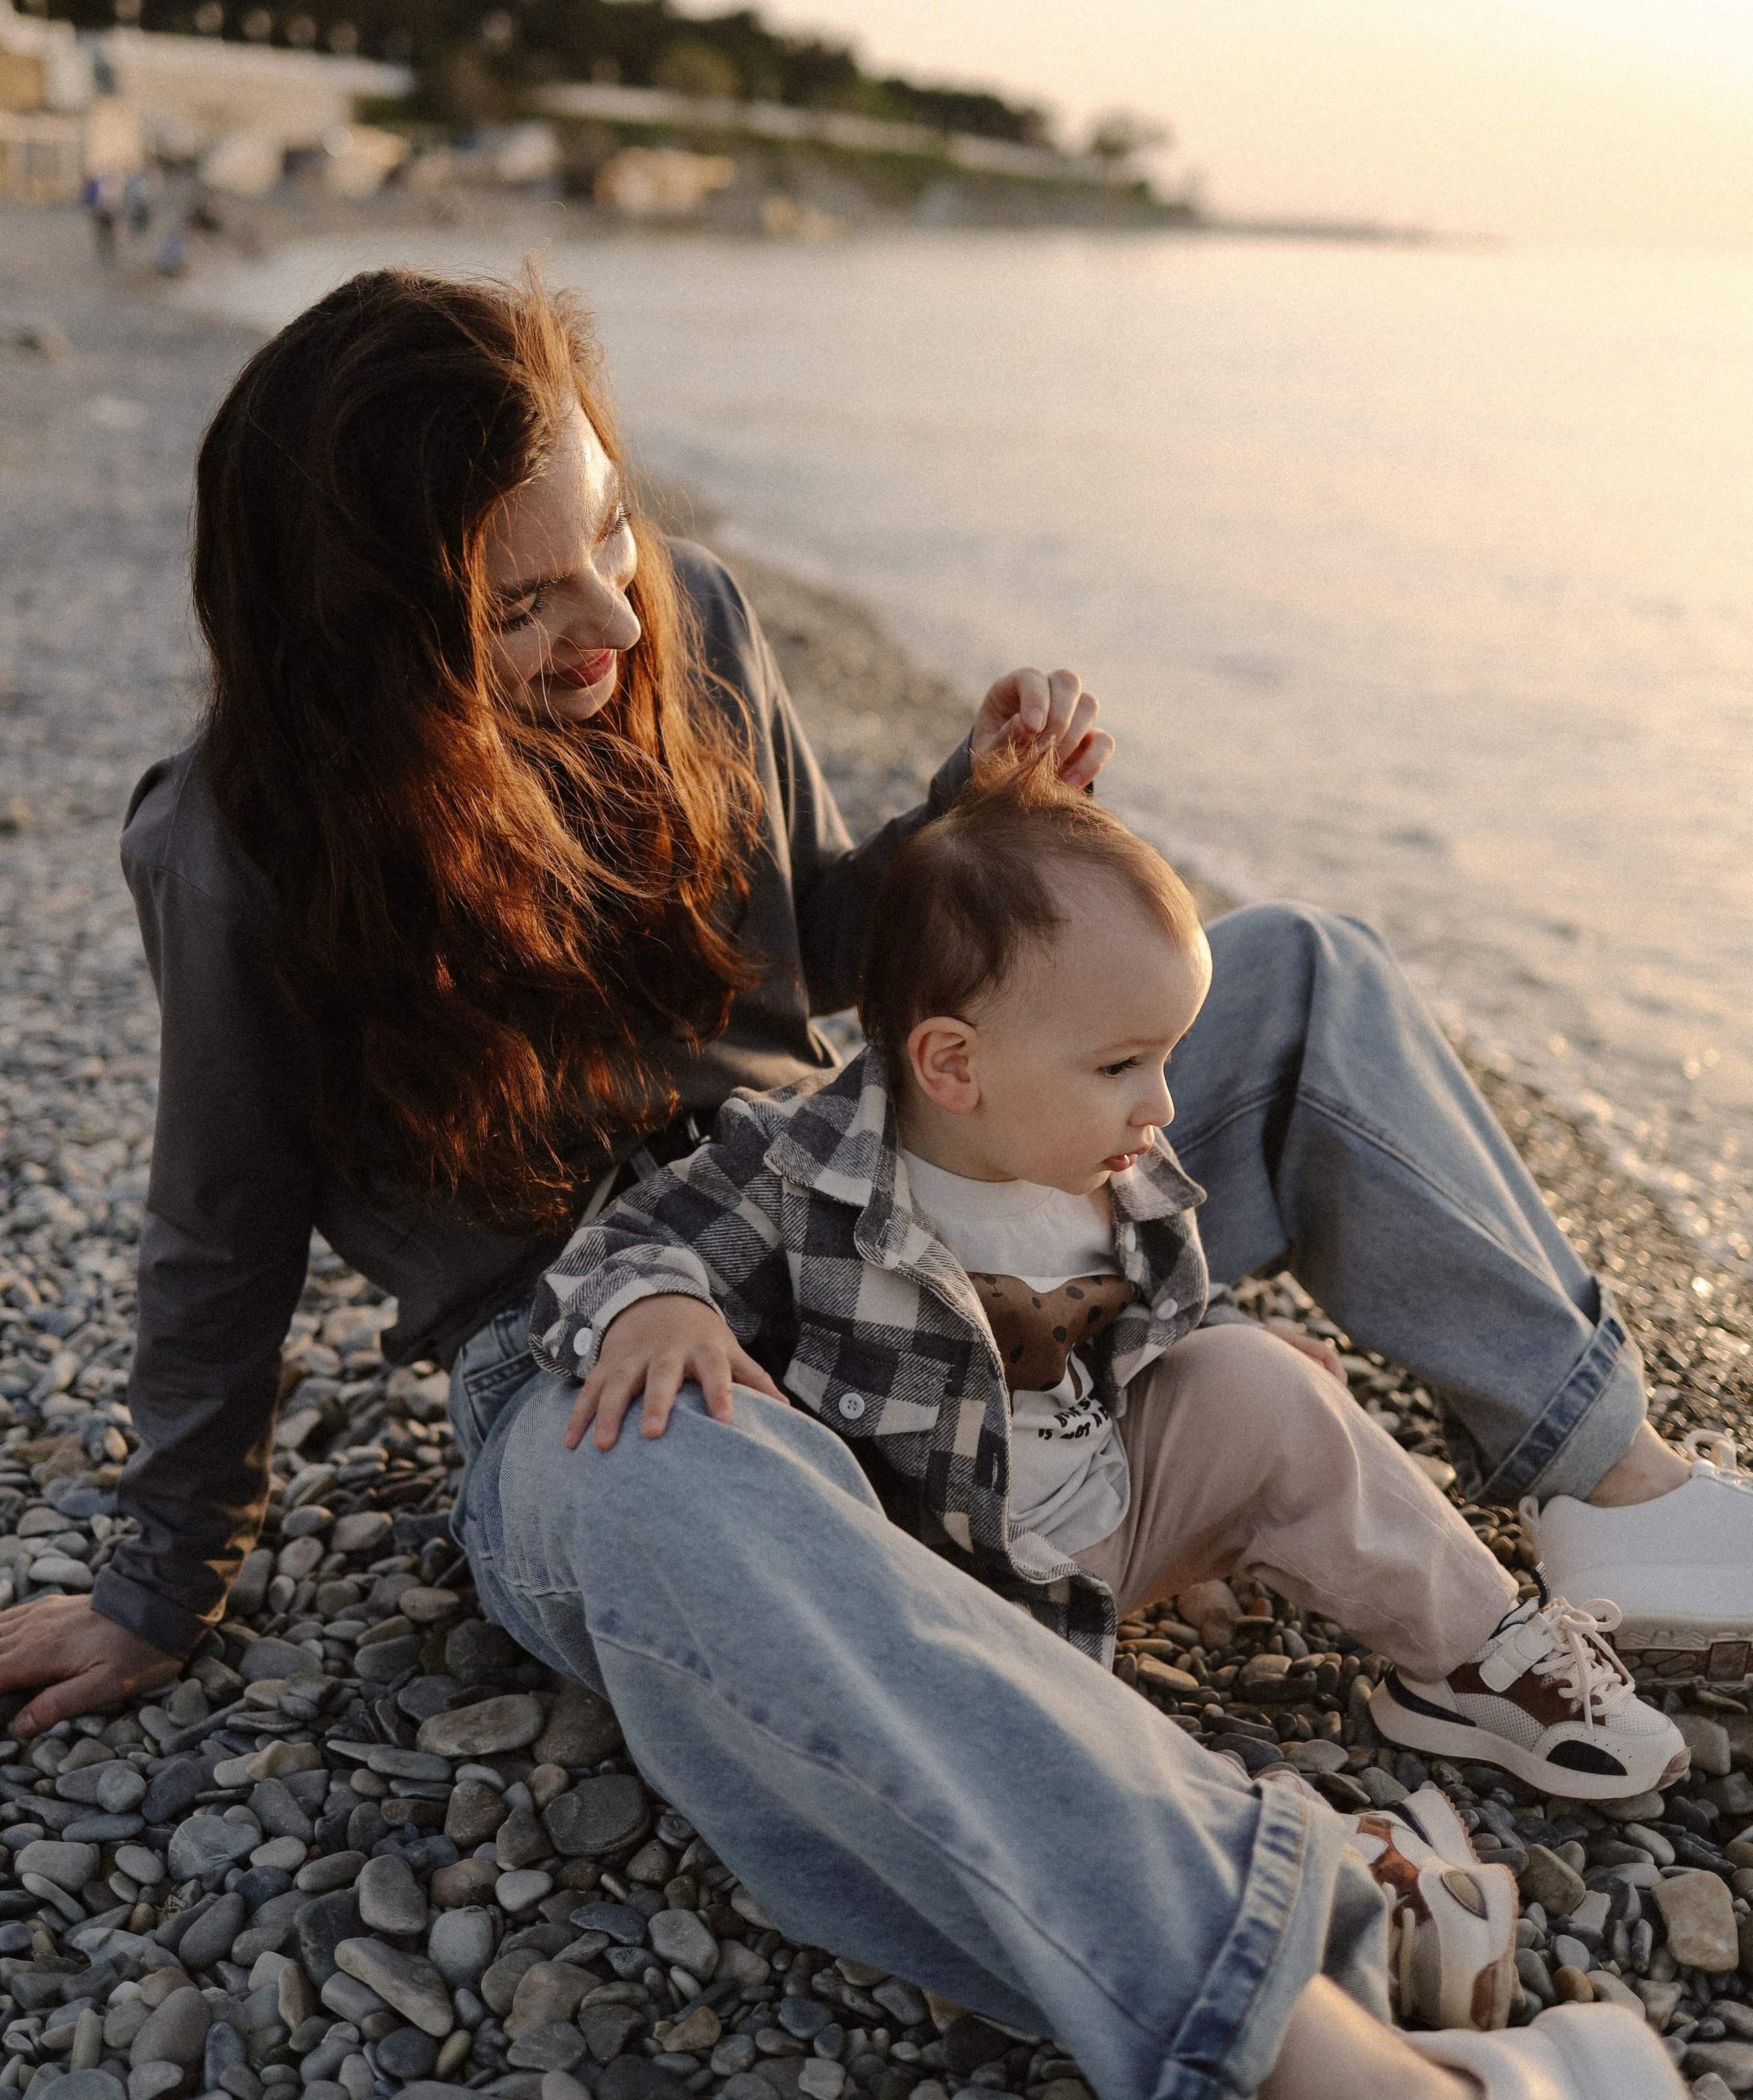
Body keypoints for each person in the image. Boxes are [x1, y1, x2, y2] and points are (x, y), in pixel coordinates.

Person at [0, 268, 1706, 2097]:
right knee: (675, 1497)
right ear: (370, 638)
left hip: (856, 1206)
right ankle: (1320, 2033)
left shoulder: (695, 625)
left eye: (615, 535)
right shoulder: (238, 845)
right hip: (589, 1363)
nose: (607, 618)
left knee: (1297, 976)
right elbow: (217, 1233)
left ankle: (1617, 1484)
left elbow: (819, 940)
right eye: (522, 605)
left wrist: (963, 817)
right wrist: (160, 1583)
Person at [531, 748, 1685, 1817]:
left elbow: (1144, 1325)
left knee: (1260, 1382)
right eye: (1124, 1065)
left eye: (1172, 1057)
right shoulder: (802, 1169)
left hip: (1111, 1516)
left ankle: (1481, 1654)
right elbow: (620, 1247)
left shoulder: (1116, 1167)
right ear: (952, 1064)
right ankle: (1217, 1834)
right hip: (954, 1604)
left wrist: (1227, 1354)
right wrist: (662, 1305)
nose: (1165, 1105)